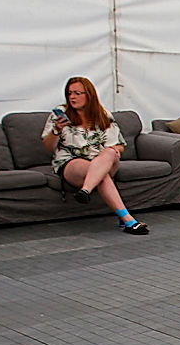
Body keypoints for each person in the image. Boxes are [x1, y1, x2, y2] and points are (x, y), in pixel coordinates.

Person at [42, 76, 149, 234]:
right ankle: (128, 220)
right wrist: (56, 130)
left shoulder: (102, 114)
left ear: (89, 94)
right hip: (72, 163)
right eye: (69, 93)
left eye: (78, 93)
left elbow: (119, 146)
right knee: (101, 175)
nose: (72, 97)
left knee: (110, 152)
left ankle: (86, 189)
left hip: (103, 161)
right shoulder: (61, 113)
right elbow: (49, 147)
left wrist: (108, 156)